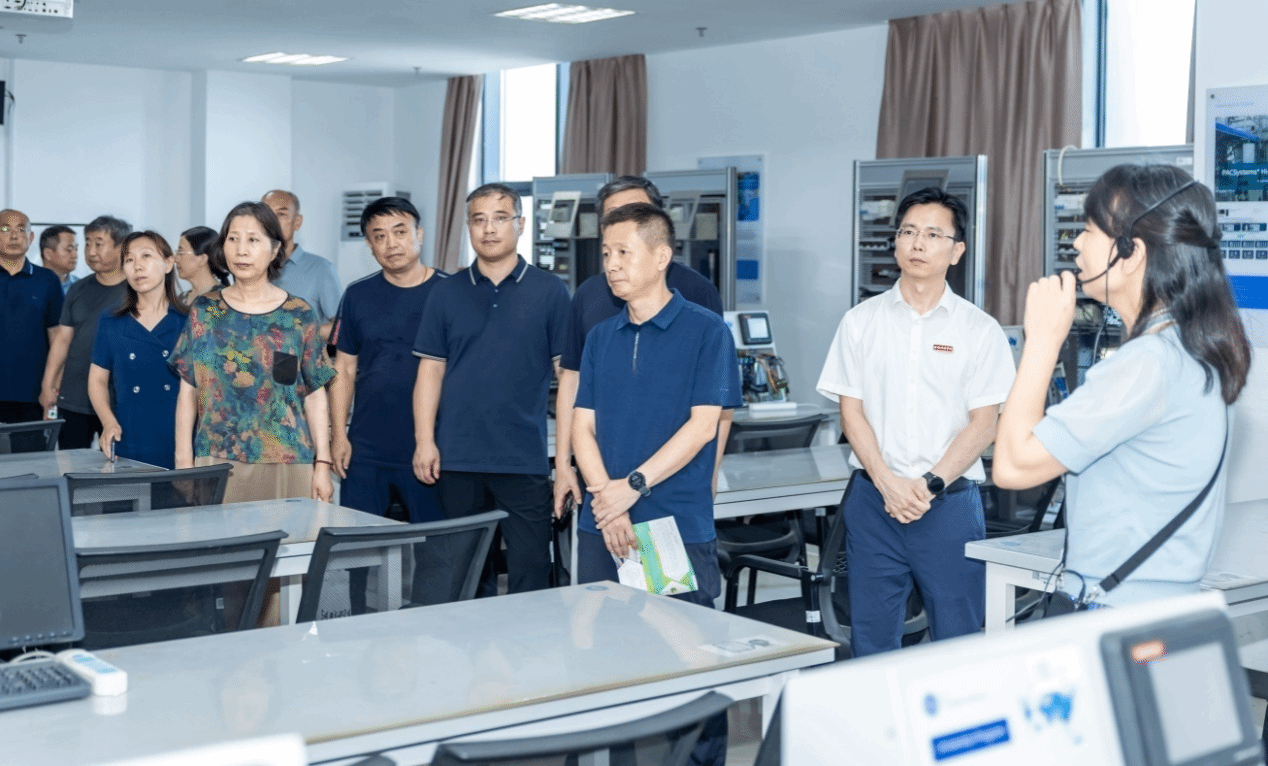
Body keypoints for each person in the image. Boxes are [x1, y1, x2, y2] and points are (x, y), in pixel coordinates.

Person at [994, 165, 1252, 607]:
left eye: (1089, 230)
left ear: (1130, 253)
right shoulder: (1188, 349)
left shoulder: (1149, 362)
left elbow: (1012, 466)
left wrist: (1041, 342)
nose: (1076, 244)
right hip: (1157, 608)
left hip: (1115, 610)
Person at [572, 202, 741, 766]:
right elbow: (581, 427)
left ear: (662, 256)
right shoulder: (602, 336)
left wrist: (633, 486)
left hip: (672, 522)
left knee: (689, 658)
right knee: (607, 659)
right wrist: (609, 500)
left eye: (624, 252)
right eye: (606, 253)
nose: (612, 264)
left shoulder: (706, 331)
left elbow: (703, 425)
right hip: (605, 522)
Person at [816, 187, 1015, 657]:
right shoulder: (860, 322)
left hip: (947, 504)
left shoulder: (979, 330)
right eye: (908, 232)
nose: (917, 244)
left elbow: (984, 424)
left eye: (932, 234)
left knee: (957, 640)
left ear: (956, 250)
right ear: (896, 242)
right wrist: (887, 483)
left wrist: (927, 485)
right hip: (874, 502)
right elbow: (851, 412)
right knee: (871, 639)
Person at [413, 182, 569, 595]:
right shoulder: (446, 292)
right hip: (458, 457)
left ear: (520, 224)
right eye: (479, 220)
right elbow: (430, 371)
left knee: (531, 569)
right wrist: (424, 441)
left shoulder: (550, 291)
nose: (489, 229)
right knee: (465, 573)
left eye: (500, 218)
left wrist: (566, 461)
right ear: (467, 227)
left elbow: (568, 378)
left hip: (523, 457)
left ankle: (528, 637)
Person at [554, 177, 729, 522]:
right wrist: (564, 464)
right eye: (613, 217)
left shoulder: (700, 300)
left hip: (670, 490)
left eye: (635, 212)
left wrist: (711, 473)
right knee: (606, 557)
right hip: (602, 486)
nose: (623, 223)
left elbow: (715, 408)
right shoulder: (590, 300)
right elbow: (572, 386)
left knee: (656, 561)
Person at [170, 201, 336, 503]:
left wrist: (323, 464)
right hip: (217, 456)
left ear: (275, 249)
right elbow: (188, 391)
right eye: (233, 239)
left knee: (291, 533)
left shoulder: (298, 315)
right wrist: (183, 461)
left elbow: (315, 394)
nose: (241, 250)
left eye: (253, 240)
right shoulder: (206, 311)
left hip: (287, 458)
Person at [330, 196, 448, 523]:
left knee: (437, 544)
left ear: (419, 234)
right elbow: (344, 368)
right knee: (357, 543)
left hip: (434, 446)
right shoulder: (357, 294)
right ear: (369, 245)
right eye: (379, 236)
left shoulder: (450, 293)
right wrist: (339, 434)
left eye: (400, 232)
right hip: (366, 447)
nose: (391, 244)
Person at [88, 231, 187, 469]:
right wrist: (108, 422)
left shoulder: (189, 320)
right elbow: (97, 380)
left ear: (168, 264)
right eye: (129, 260)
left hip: (179, 436)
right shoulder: (112, 320)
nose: (137, 266)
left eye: (146, 256)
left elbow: (204, 386)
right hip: (128, 432)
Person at [40, 215, 131, 449]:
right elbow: (62, 340)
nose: (91, 251)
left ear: (121, 247)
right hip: (74, 397)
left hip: (118, 400)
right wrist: (47, 386)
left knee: (118, 464)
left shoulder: (135, 290)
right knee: (69, 464)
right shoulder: (78, 288)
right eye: (88, 243)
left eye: (99, 244)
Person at [0, 209, 64, 429]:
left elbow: (58, 338)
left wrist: (53, 387)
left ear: (31, 237)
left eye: (21, 230)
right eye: (5, 229)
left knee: (31, 452)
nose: (14, 236)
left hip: (34, 395)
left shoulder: (47, 280)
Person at [262, 190, 341, 341]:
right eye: (267, 215)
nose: (272, 222)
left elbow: (342, 328)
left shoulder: (321, 269)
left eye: (281, 214)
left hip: (303, 355)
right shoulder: (251, 268)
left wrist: (299, 335)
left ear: (297, 222)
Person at [174, 225, 230, 303]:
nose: (176, 259)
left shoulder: (224, 300)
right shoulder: (181, 299)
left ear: (202, 259)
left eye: (181, 252)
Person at [39, 225, 79, 293]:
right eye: (69, 249)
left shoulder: (81, 287)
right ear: (48, 254)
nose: (75, 255)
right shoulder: (28, 285)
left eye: (76, 249)